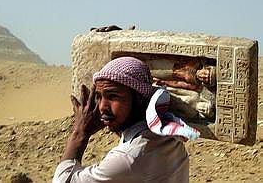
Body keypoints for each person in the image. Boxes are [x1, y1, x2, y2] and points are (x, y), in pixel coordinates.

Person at [53, 57, 199, 183]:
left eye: (113, 96)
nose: (102, 107)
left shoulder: (129, 157)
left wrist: (80, 132)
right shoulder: (166, 135)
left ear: (140, 99)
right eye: (99, 97)